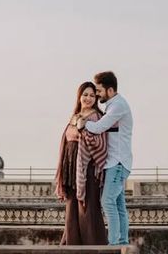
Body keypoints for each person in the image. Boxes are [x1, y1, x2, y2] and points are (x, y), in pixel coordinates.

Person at [77, 71, 133, 246]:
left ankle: (115, 244)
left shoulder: (118, 106)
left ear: (109, 90)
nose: (97, 94)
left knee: (107, 201)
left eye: (99, 91)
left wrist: (83, 123)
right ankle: (122, 241)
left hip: (117, 162)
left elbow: (99, 127)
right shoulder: (113, 105)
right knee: (119, 206)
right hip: (117, 162)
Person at [55, 81, 108, 245]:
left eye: (92, 95)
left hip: (87, 167)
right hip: (71, 166)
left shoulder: (97, 117)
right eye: (85, 95)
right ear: (79, 96)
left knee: (89, 206)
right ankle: (72, 243)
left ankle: (93, 245)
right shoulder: (74, 116)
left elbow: (100, 143)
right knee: (72, 206)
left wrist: (83, 128)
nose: (88, 98)